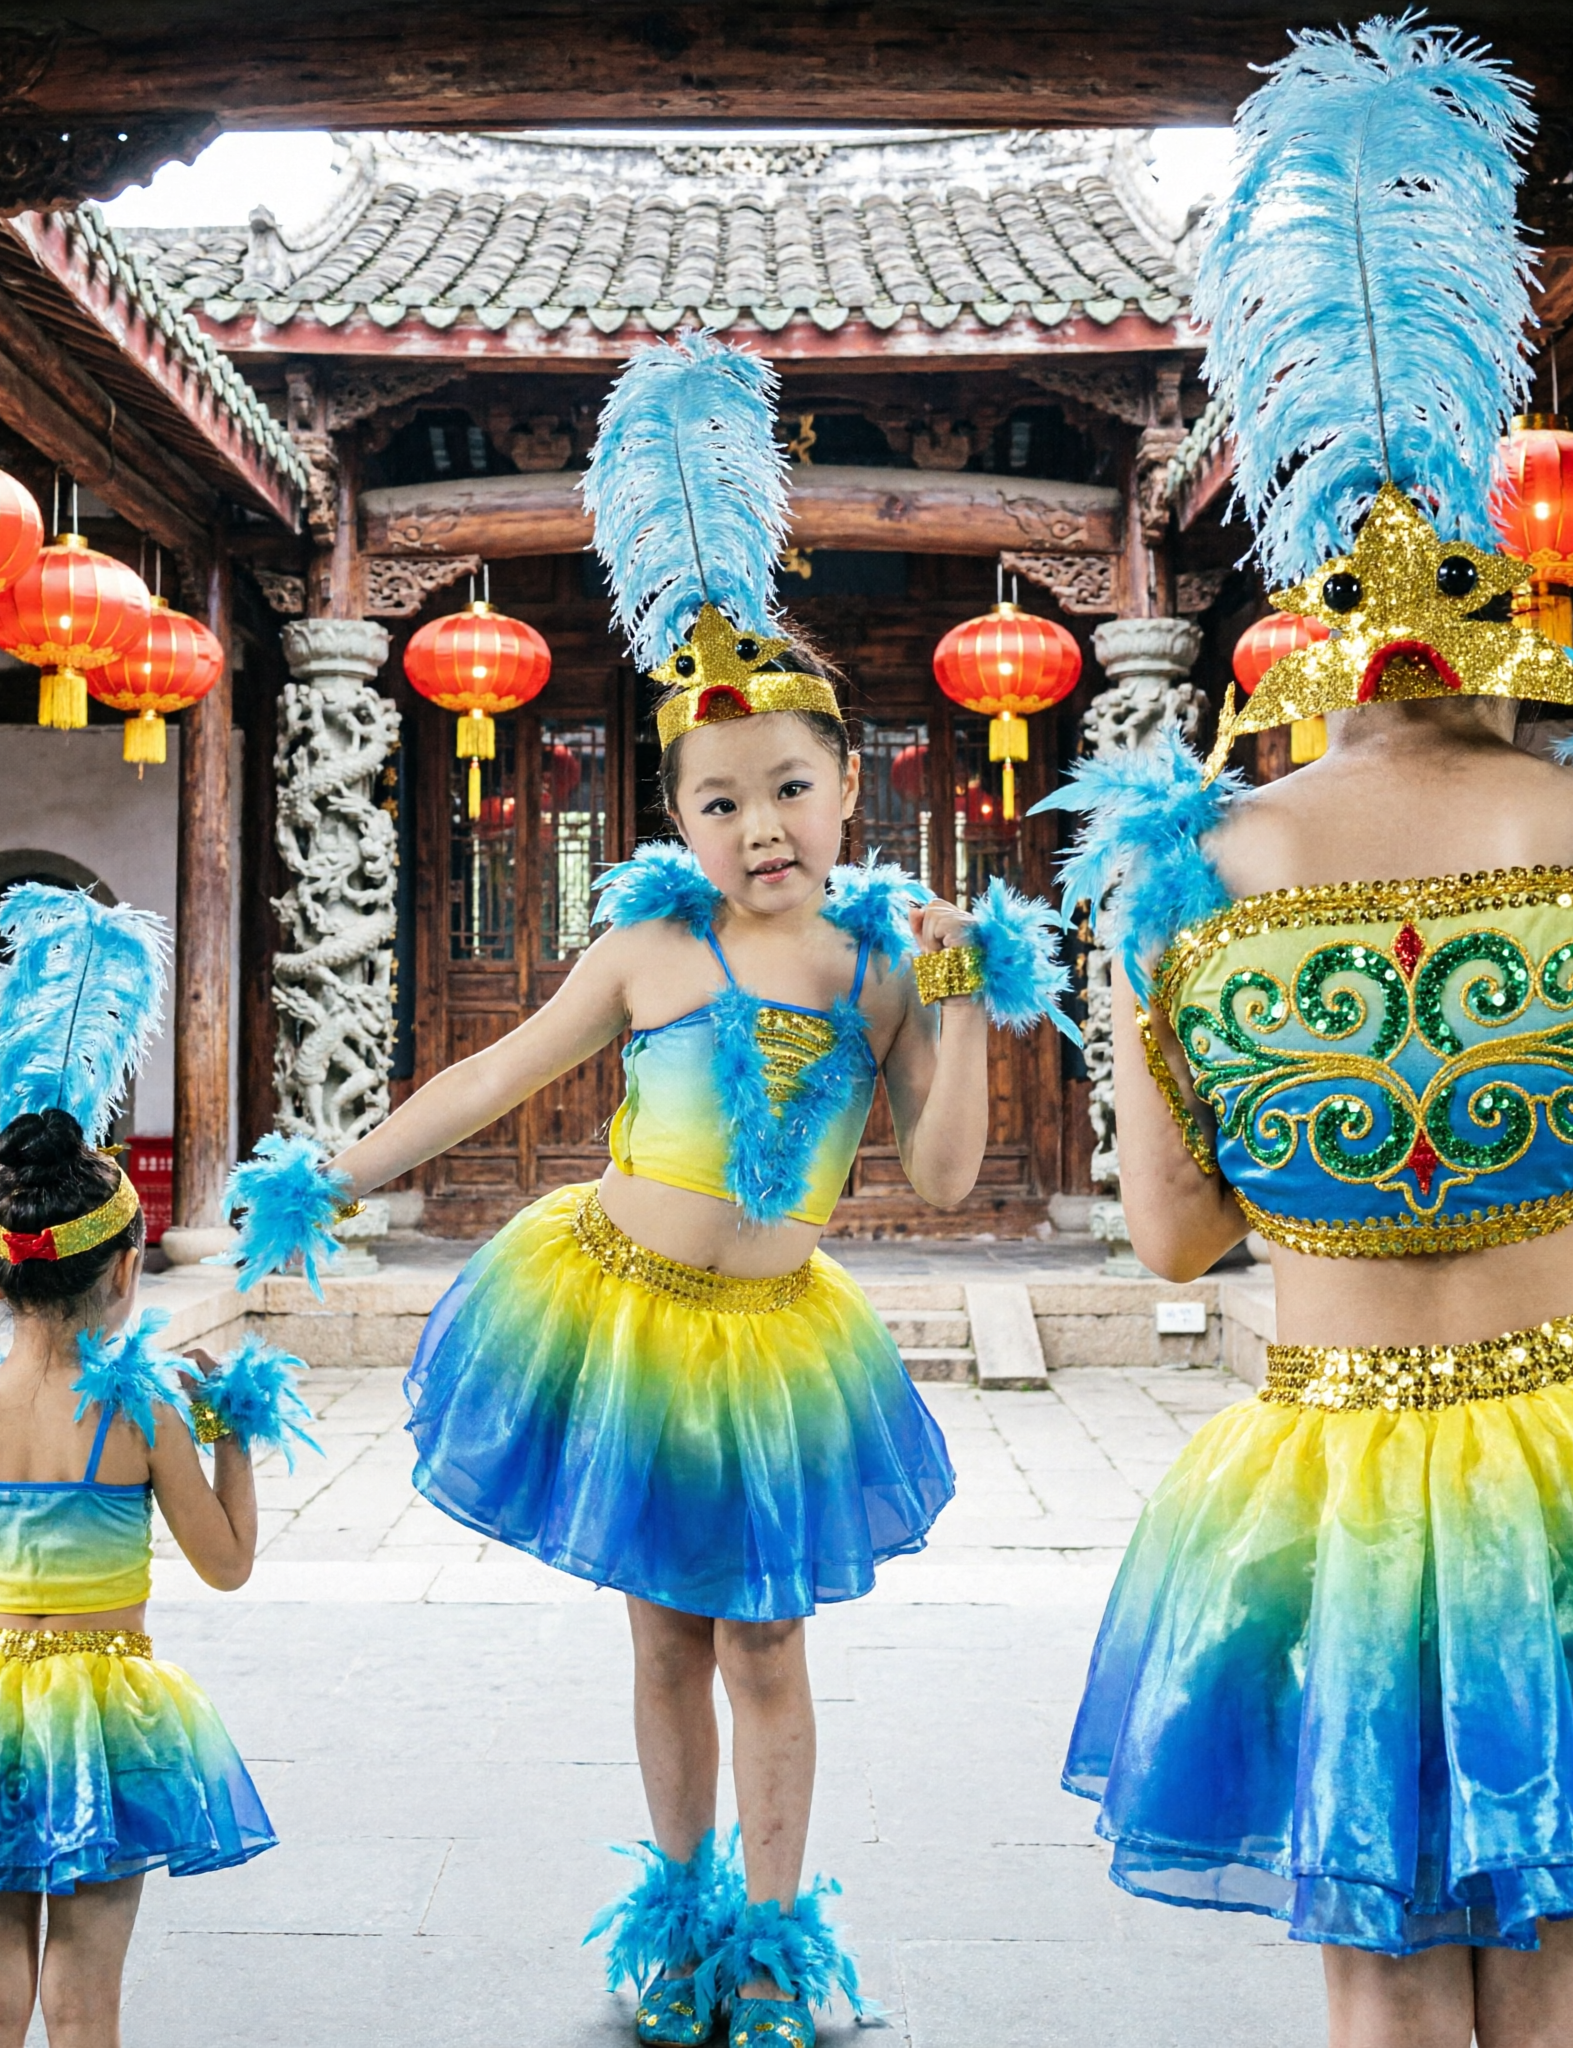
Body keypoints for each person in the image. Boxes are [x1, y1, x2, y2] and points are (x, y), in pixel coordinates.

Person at [215, 332, 1073, 2047]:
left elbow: (943, 1173)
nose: (761, 826)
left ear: (852, 783)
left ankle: (775, 1943)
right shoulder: (648, 948)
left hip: (776, 1338)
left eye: (790, 789)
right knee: (667, 1640)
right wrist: (331, 1168)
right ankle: (676, 1930)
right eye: (718, 798)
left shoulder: (882, 965)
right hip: (616, 1309)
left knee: (769, 1645)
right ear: (676, 813)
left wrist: (964, 1005)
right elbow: (489, 1078)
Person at [1042, 20, 1573, 2048]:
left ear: (1298, 638)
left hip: (1328, 1479)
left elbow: (1169, 1241)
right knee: (1565, 1976)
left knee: (1381, 1985)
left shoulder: (1184, 872)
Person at [0, 888, 315, 2048]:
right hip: (108, 1717)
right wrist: (231, 1429)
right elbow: (228, 1563)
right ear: (127, 1269)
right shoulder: (141, 1415)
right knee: (84, 2005)